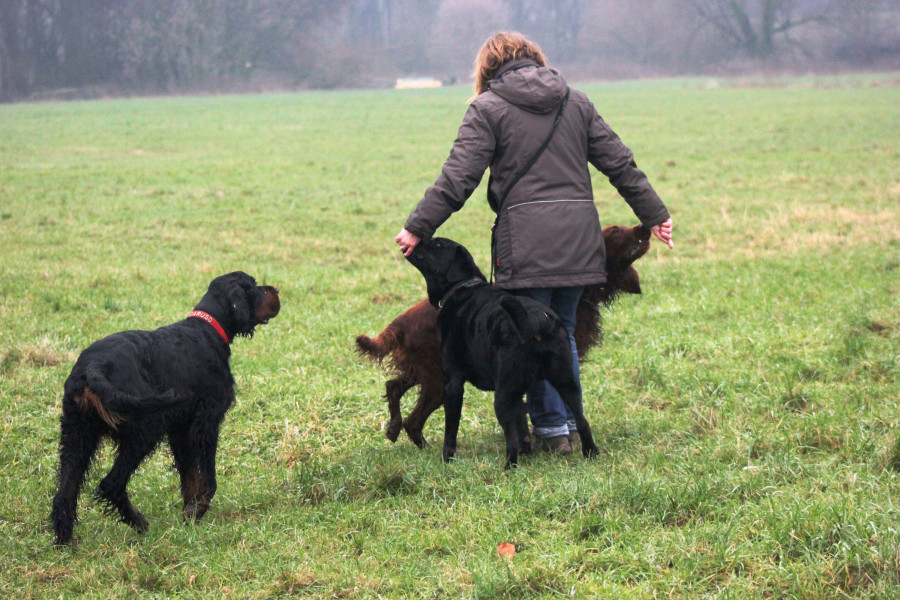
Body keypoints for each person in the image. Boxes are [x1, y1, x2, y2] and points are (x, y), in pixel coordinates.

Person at [395, 32, 673, 454]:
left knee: (529, 336)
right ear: (536, 59)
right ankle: (570, 423)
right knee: (563, 332)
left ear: (487, 69)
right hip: (579, 242)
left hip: (525, 245)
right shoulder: (575, 101)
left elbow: (458, 177)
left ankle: (552, 430)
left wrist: (418, 226)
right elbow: (620, 162)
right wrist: (655, 214)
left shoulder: (487, 108)